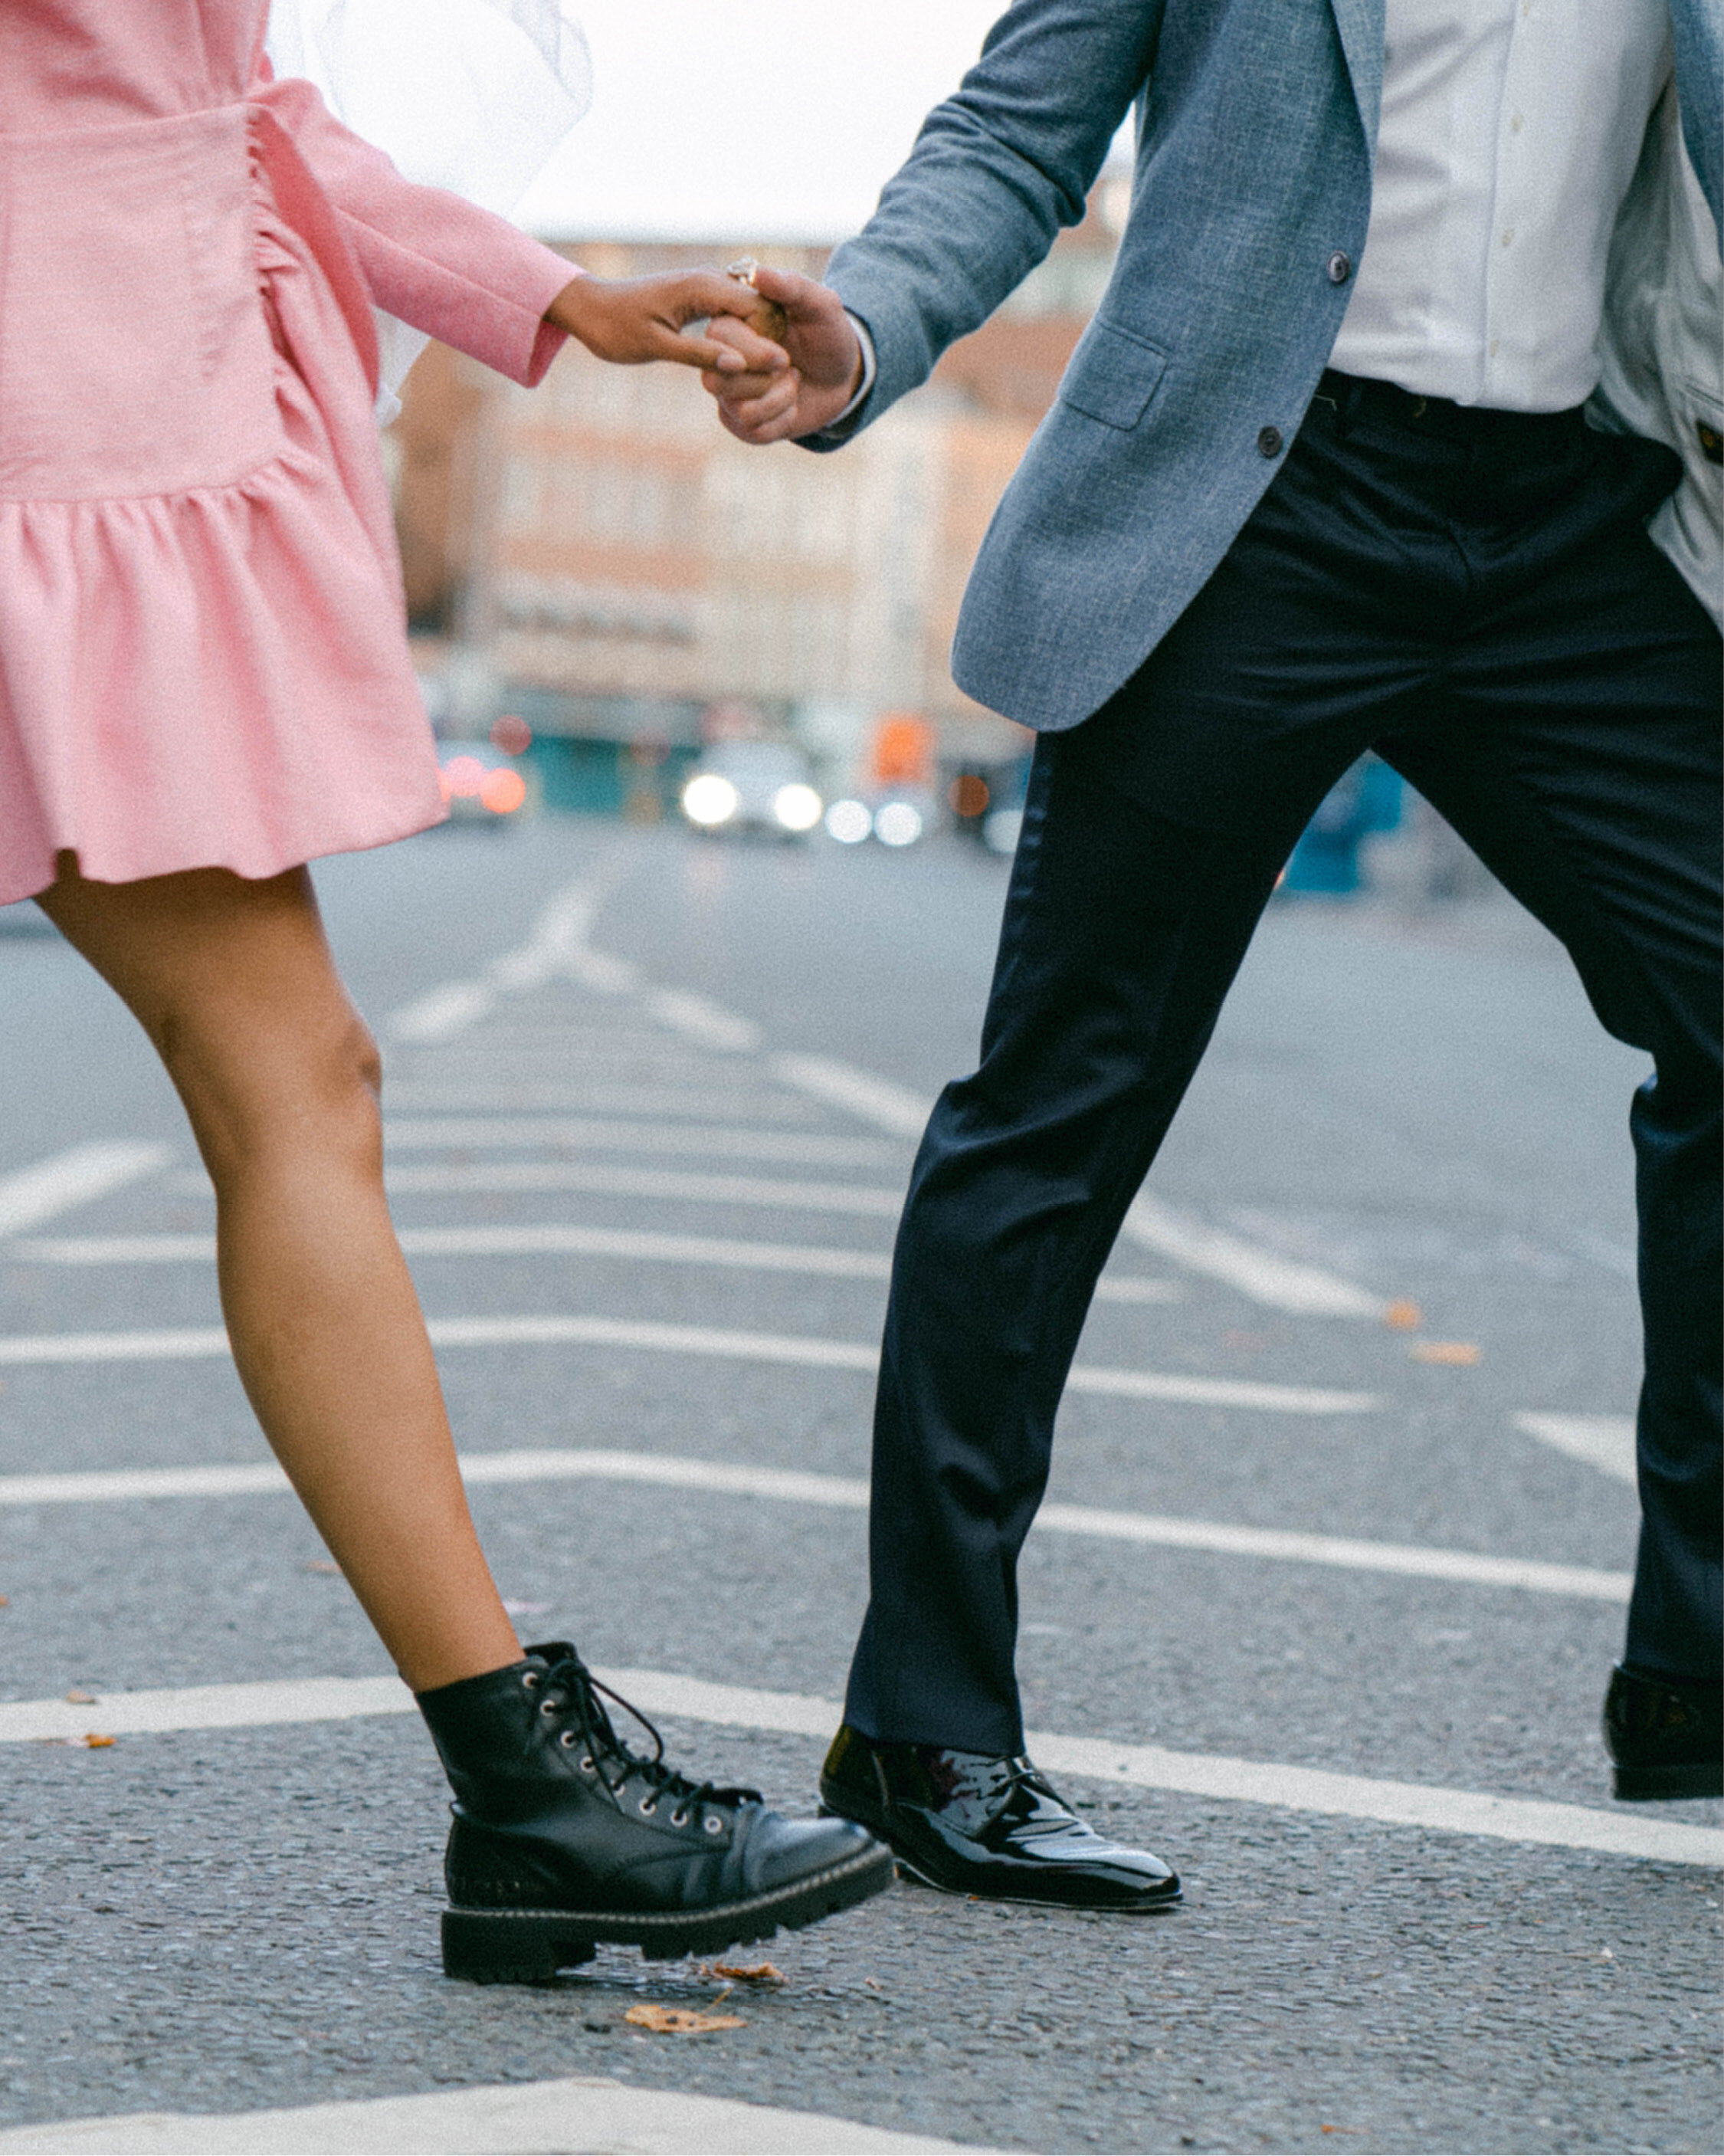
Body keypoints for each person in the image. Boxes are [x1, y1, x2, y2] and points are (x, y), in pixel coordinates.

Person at [705, 0, 1724, 1905]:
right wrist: (865, 327)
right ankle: (927, 1725)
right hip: (1258, 499)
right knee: (1062, 1102)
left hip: (1577, 521)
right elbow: (1022, 130)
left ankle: (1705, 1672)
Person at [1, 0, 892, 1984]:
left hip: (107, 422)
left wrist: (563, 298)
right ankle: (526, 1787)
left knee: (292, 1074)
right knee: (291, 1078)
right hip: (64, 443)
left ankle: (525, 1785)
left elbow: (241, 110)